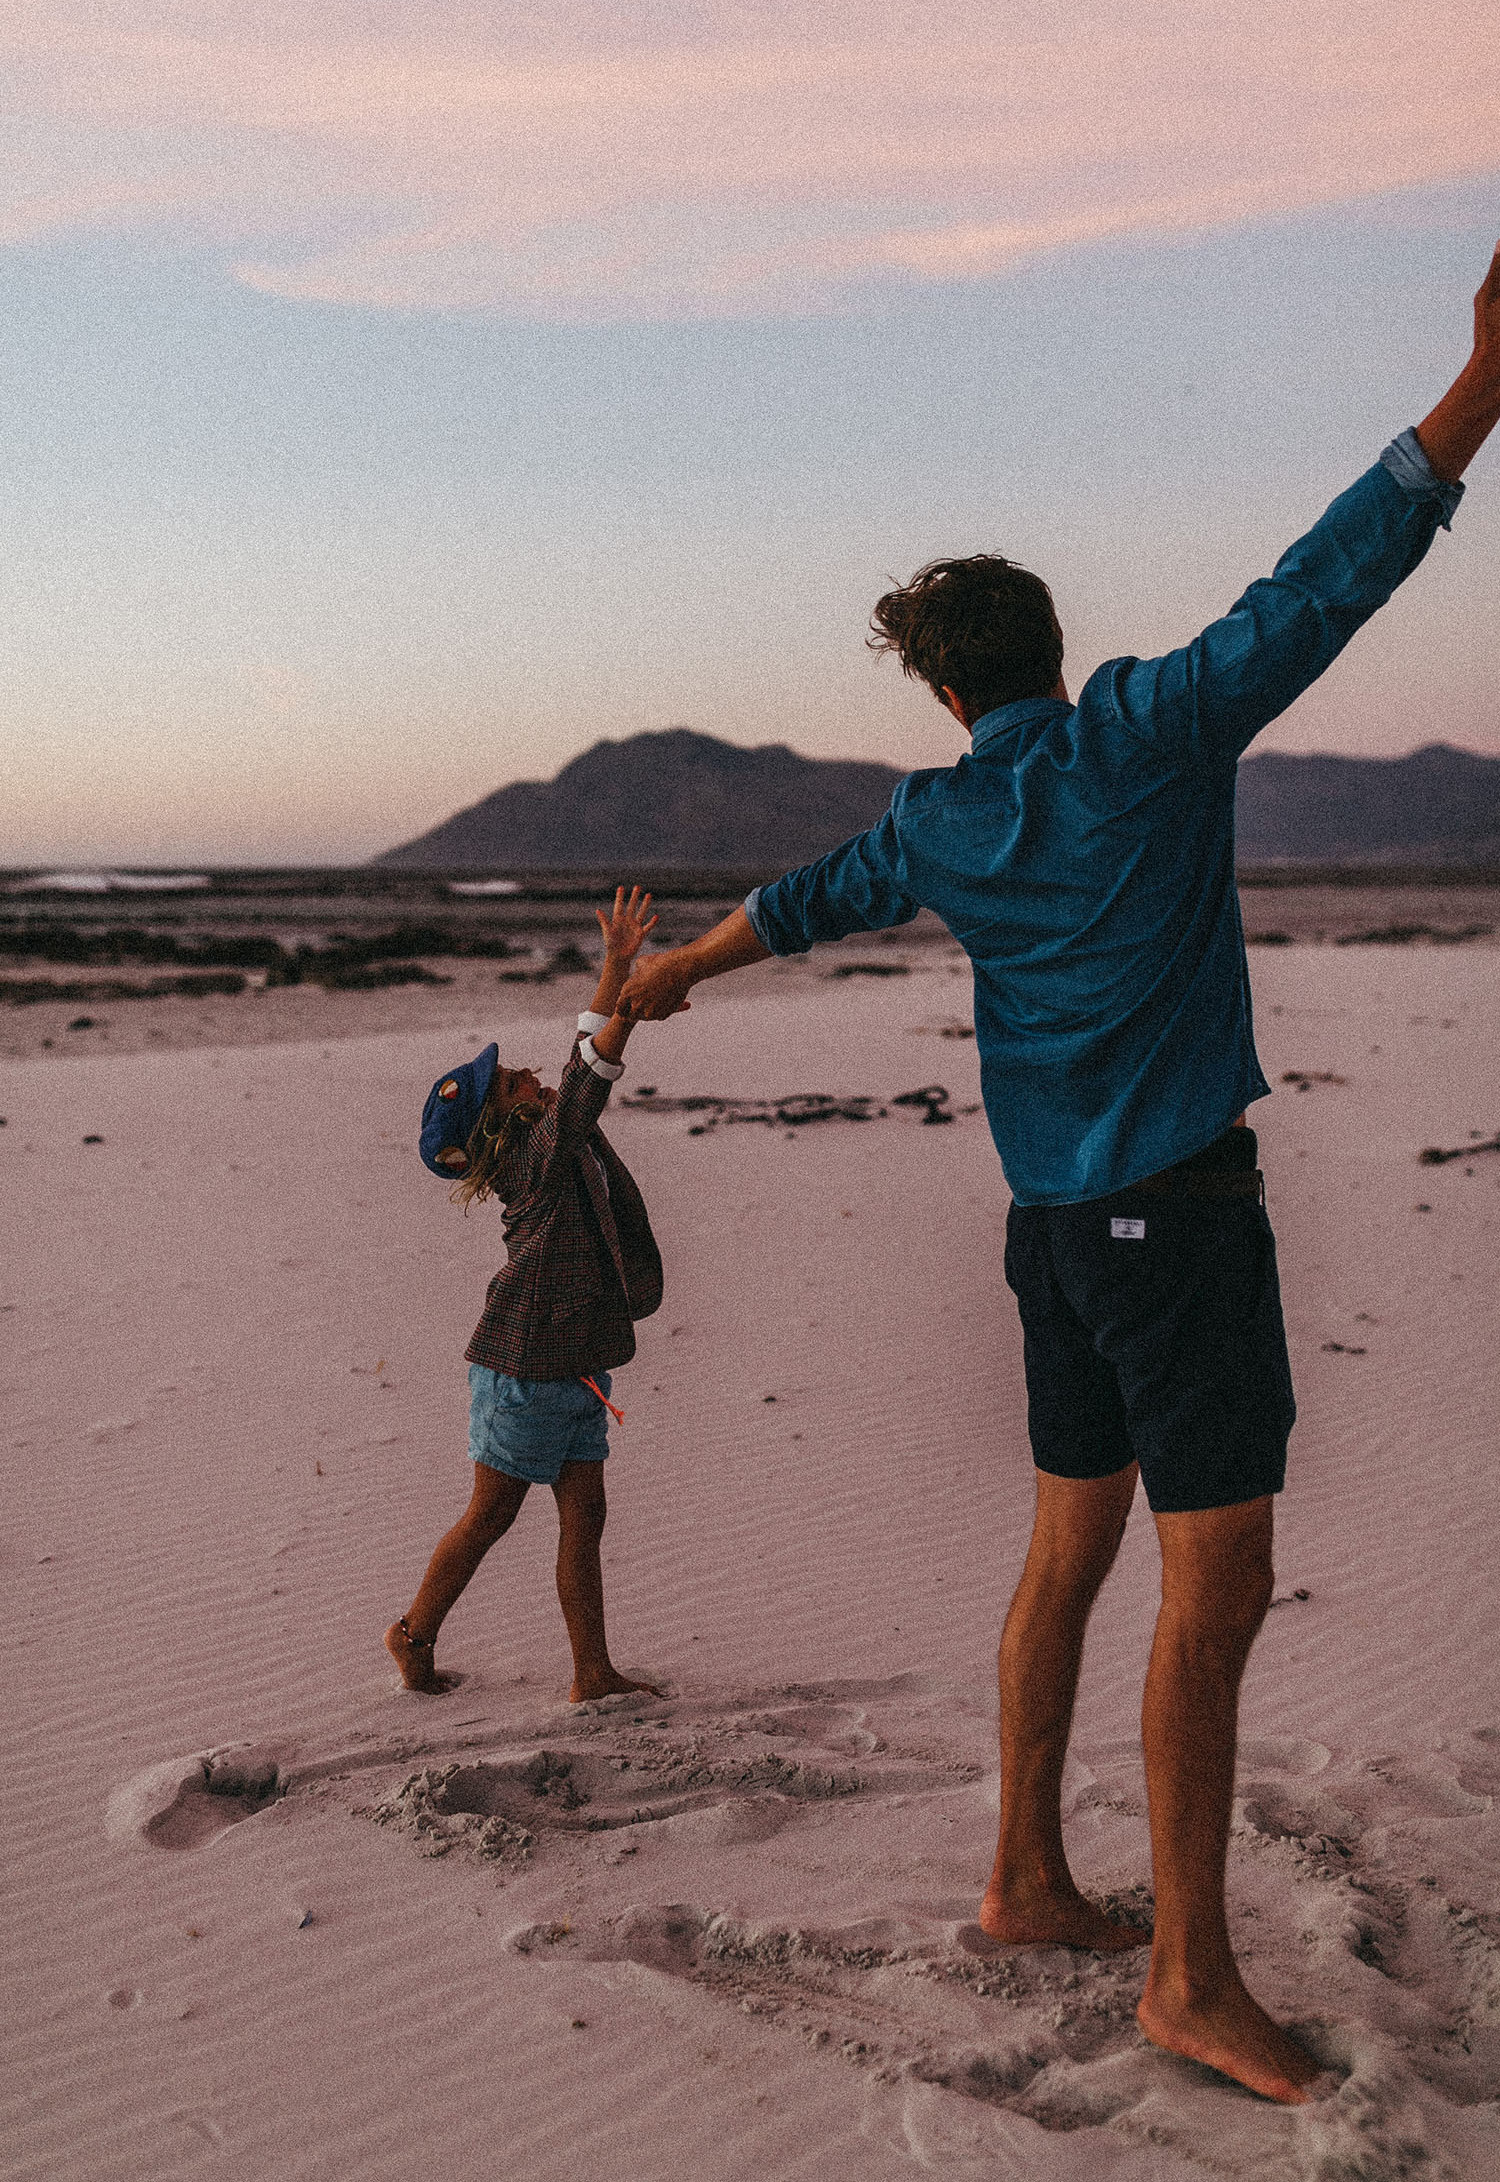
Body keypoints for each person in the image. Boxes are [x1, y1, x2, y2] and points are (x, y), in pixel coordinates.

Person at [618, 246, 1500, 2103]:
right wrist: (1479, 388)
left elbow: (791, 912)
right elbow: (1321, 584)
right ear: (1050, 647)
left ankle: (1027, 1875)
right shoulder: (1149, 733)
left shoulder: (938, 816)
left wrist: (666, 980)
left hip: (1052, 1243)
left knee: (1069, 1549)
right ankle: (1186, 1975)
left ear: (947, 694)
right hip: (1170, 1231)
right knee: (1216, 1590)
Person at [385, 887, 668, 1703]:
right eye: (512, 1084)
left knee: (586, 1518)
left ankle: (591, 1672)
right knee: (490, 1516)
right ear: (500, 1131)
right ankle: (411, 1635)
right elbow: (589, 1077)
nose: (528, 1075)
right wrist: (633, 1004)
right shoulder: (539, 1157)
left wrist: (616, 967)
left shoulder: (539, 1142)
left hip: (575, 1364)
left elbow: (579, 1058)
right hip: (521, 1367)